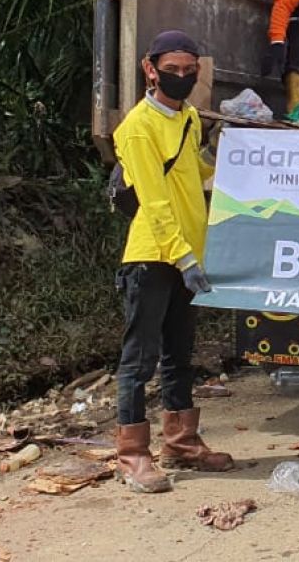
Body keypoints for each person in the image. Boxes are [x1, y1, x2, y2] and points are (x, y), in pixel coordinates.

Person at [112, 30, 233, 494]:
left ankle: (181, 443)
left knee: (179, 357)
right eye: (172, 70)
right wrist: (183, 256)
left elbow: (192, 174)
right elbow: (156, 201)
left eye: (189, 71)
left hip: (188, 257)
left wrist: (230, 157)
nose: (181, 78)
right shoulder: (138, 127)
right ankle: (133, 456)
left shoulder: (186, 118)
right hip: (152, 257)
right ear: (150, 69)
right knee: (138, 361)